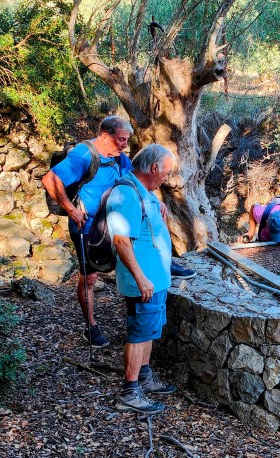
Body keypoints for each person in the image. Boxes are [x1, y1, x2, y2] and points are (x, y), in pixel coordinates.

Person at [42, 115, 134, 347]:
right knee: (90, 277)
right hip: (87, 228)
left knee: (131, 264)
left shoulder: (119, 158)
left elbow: (134, 181)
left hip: (114, 225)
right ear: (105, 136)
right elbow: (50, 178)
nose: (125, 145)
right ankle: (91, 326)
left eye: (126, 141)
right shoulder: (84, 155)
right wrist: (72, 210)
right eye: (121, 140)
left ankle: (135, 322)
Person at [105, 144, 179, 413]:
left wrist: (154, 200)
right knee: (138, 334)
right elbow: (122, 241)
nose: (167, 178)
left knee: (148, 331)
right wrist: (141, 278)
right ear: (155, 168)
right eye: (166, 173)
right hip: (144, 283)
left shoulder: (142, 190)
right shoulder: (125, 193)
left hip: (155, 281)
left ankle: (145, 378)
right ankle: (129, 392)